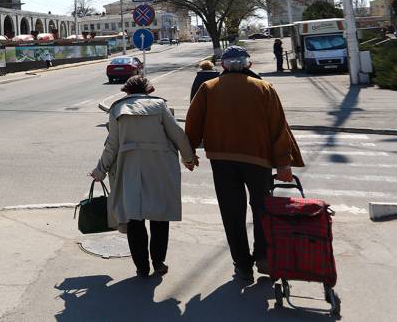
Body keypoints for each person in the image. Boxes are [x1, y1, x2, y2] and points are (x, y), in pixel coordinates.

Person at [185, 45, 304, 283]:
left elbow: (193, 123)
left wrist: (189, 154)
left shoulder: (208, 88)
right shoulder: (264, 88)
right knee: (263, 208)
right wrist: (283, 164)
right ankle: (263, 257)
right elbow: (278, 128)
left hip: (222, 160)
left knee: (232, 213)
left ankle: (242, 264)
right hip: (259, 161)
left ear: (223, 66)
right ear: (249, 64)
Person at [91, 76, 197, 278]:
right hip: (160, 167)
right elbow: (178, 135)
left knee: (134, 218)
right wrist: (189, 159)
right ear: (148, 90)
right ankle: (159, 263)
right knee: (160, 216)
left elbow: (111, 146)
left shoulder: (116, 109)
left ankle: (141, 267)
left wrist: (100, 170)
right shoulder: (159, 105)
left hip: (129, 168)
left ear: (127, 91)